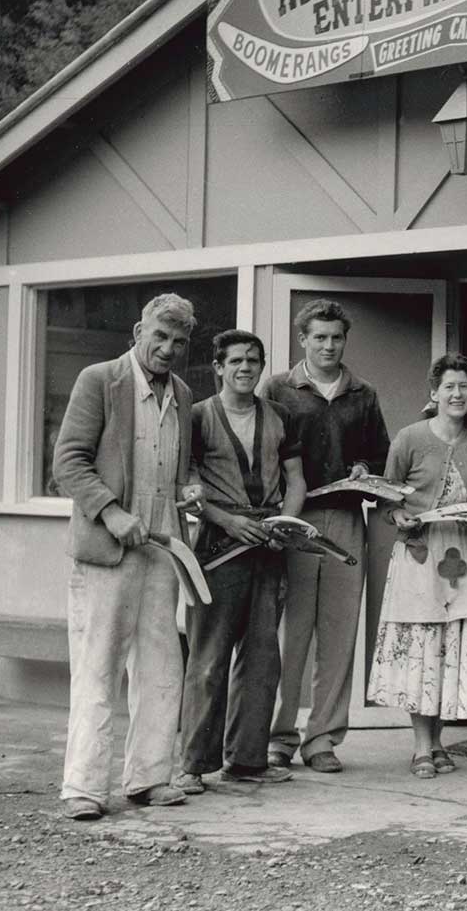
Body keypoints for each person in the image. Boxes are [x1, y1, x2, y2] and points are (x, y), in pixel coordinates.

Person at [53, 293, 204, 820]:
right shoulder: (99, 380)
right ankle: (84, 788)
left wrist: (187, 488)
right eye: (159, 337)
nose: (167, 349)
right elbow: (68, 462)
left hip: (164, 551)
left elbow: (176, 465)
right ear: (139, 332)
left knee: (162, 669)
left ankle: (149, 778)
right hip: (106, 555)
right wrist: (112, 512)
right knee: (97, 671)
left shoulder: (182, 393)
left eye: (178, 342)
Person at [174, 330, 307, 795]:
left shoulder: (279, 416)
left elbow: (296, 480)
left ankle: (247, 760)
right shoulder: (198, 417)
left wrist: (285, 523)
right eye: (235, 361)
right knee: (208, 658)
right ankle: (192, 764)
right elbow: (186, 488)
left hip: (268, 544)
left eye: (253, 360)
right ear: (218, 367)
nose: (245, 368)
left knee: (262, 657)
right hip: (218, 545)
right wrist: (225, 520)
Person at [264, 298, 390, 773]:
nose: (328, 345)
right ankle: (279, 734)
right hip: (295, 519)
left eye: (336, 337)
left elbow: (381, 456)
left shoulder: (364, 393)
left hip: (344, 519)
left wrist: (366, 469)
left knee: (338, 635)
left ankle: (322, 739)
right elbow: (263, 453)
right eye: (319, 337)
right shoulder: (278, 387)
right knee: (289, 634)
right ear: (303, 340)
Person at [367, 354, 467, 779]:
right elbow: (387, 496)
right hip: (419, 552)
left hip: (461, 553)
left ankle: (438, 742)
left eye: (464, 387)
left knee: (449, 647)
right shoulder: (410, 437)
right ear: (433, 393)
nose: (457, 394)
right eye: (449, 387)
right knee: (421, 647)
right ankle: (420, 746)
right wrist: (398, 515)